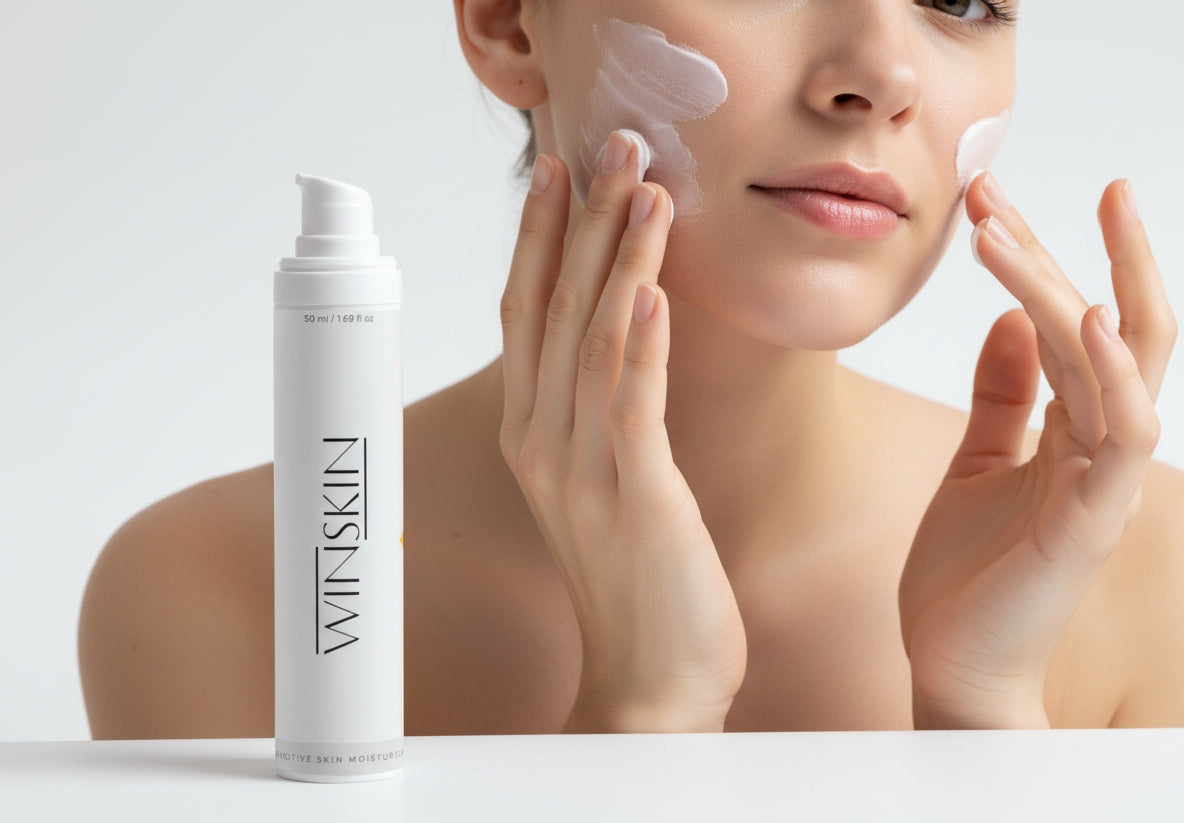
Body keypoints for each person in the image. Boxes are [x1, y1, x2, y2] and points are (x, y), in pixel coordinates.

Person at [78, 0, 1184, 737]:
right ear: (507, 20)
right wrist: (641, 713)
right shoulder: (237, 591)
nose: (883, 74)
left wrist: (982, 710)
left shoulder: (1147, 567)